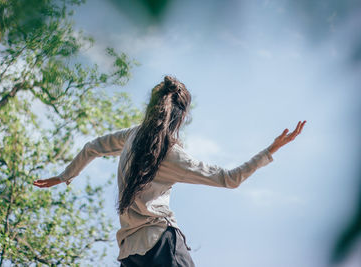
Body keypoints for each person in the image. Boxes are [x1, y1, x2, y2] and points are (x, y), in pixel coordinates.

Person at [33, 75, 306, 266]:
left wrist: (65, 175)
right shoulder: (171, 154)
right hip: (162, 245)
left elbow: (93, 147)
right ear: (181, 116)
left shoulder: (132, 136)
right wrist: (271, 150)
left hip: (130, 254)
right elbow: (229, 179)